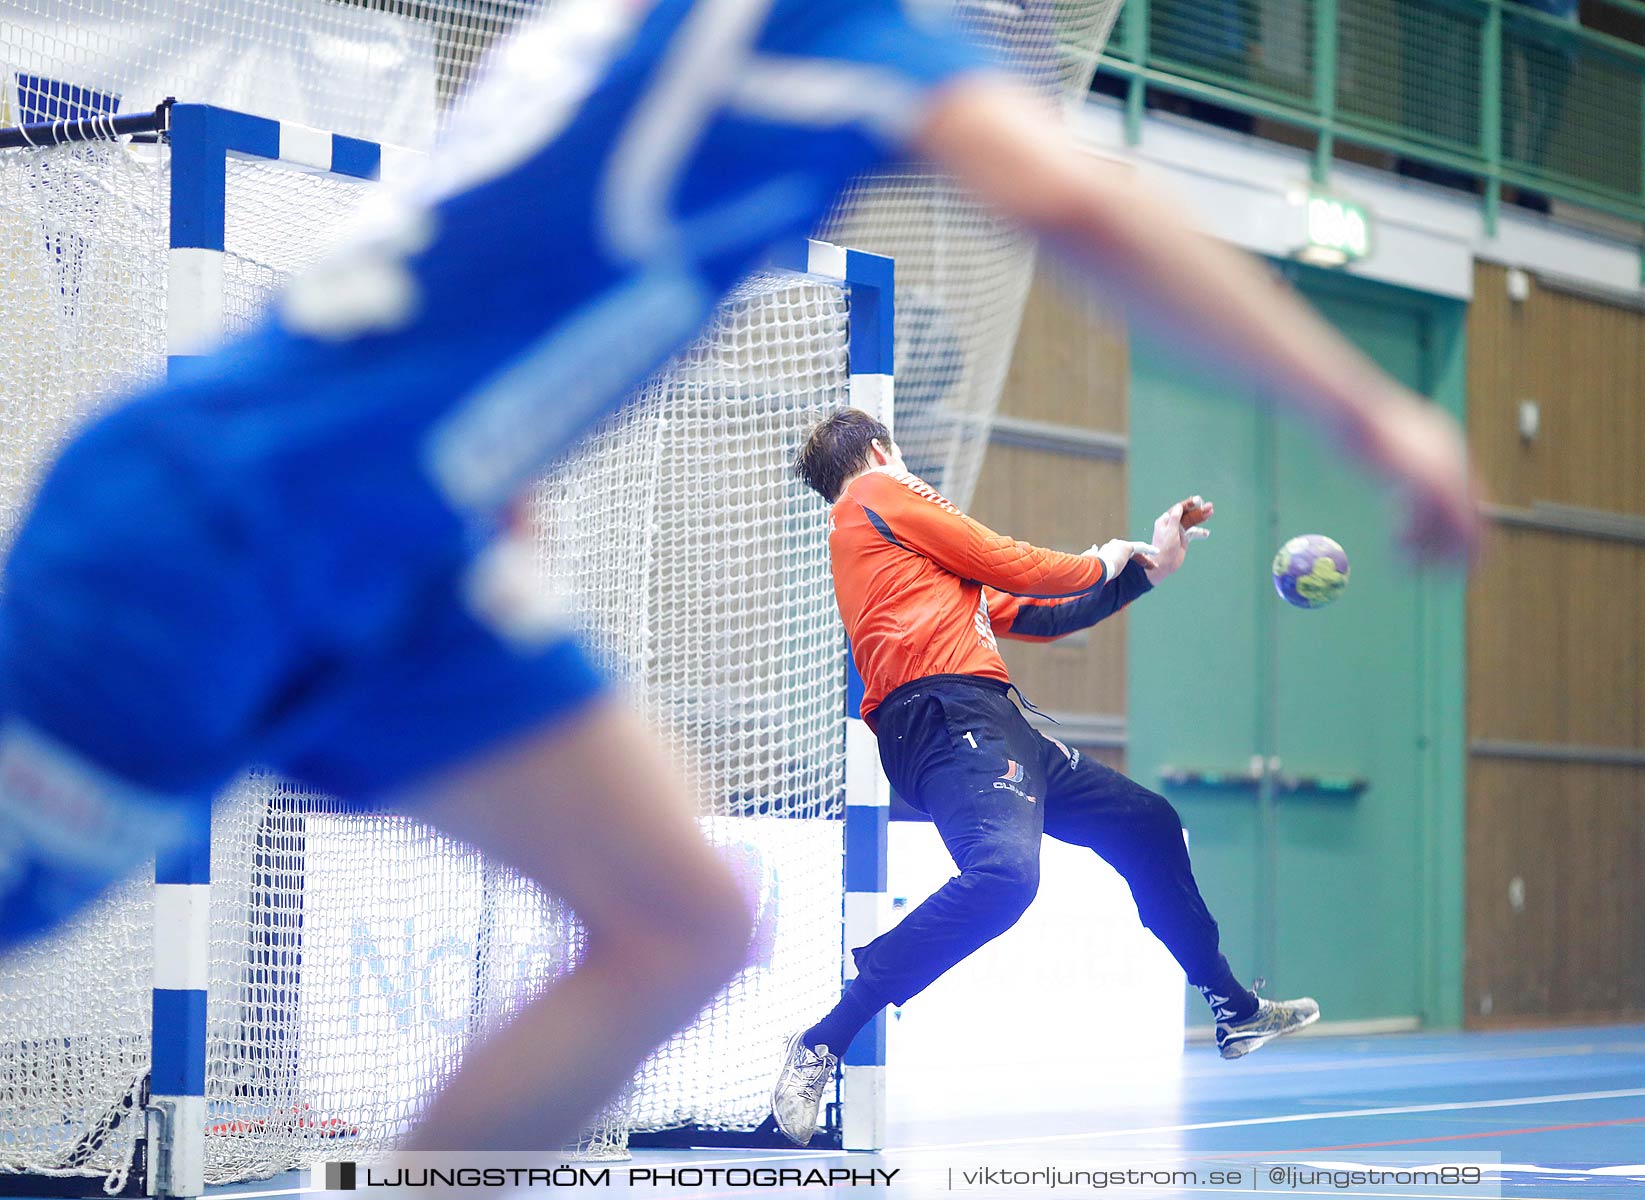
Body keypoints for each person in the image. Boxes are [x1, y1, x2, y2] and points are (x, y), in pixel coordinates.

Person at [0, 0, 1478, 1154]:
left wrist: (1133, 570)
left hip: (418, 551)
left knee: (687, 922)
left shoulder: (631, 52)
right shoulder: (811, 31)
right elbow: (1079, 208)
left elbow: (485, 269)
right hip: (227, 513)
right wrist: (1374, 413)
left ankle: (1210, 1000)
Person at [769, 413, 1316, 1146]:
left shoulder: (906, 567)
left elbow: (1031, 610)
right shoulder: (877, 490)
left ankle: (1230, 1002)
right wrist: (1101, 558)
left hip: (991, 727)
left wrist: (1148, 568)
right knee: (1004, 878)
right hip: (948, 715)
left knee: (1145, 821)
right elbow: (1008, 559)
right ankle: (824, 1039)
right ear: (877, 451)